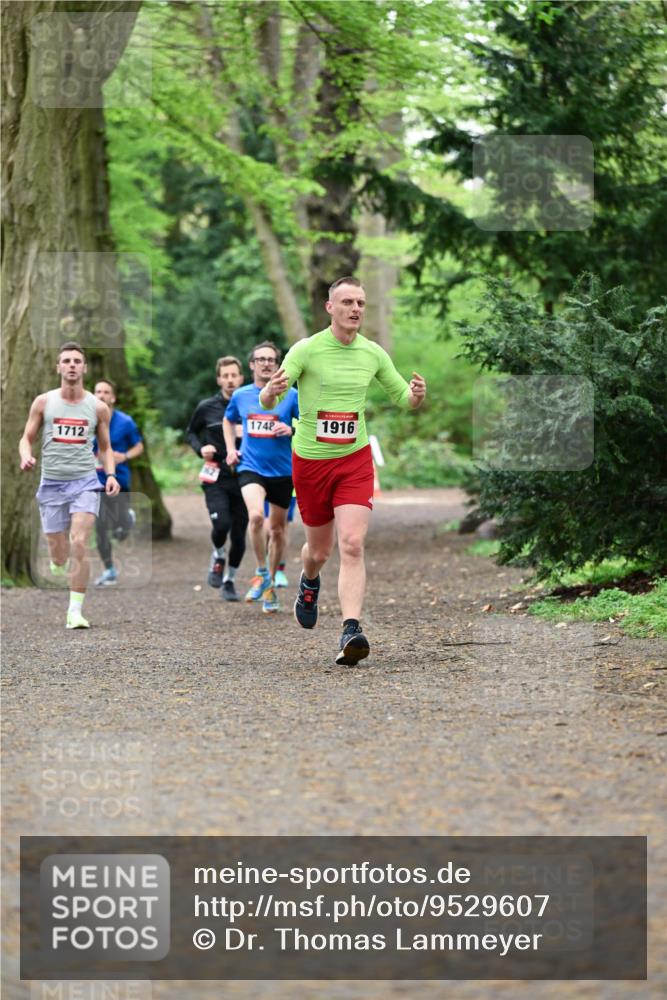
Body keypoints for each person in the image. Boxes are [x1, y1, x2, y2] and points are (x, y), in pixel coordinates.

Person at [259, 276, 426, 665]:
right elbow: (270, 400)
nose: (355, 309)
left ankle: (351, 630)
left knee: (352, 544)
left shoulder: (372, 353)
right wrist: (269, 391)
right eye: (348, 302)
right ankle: (309, 581)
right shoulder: (307, 349)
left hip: (354, 460)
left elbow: (402, 398)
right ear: (330, 307)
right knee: (319, 551)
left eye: (361, 303)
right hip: (311, 463)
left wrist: (416, 396)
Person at [18, 341, 120, 629]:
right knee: (59, 553)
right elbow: (26, 438)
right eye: (66, 361)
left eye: (77, 361)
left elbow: (105, 447)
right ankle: (57, 559)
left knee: (79, 542)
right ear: (58, 367)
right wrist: (26, 455)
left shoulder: (98, 407)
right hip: (51, 483)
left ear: (84, 368)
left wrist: (111, 475)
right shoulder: (44, 402)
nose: (72, 365)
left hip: (84, 482)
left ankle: (75, 612)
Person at [223, 341, 299, 614]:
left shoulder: (291, 395)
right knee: (255, 516)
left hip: (282, 471)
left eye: (271, 359)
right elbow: (228, 420)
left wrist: (291, 430)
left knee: (277, 530)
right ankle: (261, 570)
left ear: (278, 365)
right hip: (250, 466)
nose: (266, 363)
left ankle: (270, 585)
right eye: (261, 359)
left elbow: (308, 423)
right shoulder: (241, 395)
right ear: (252, 365)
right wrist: (231, 449)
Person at [186, 356, 248, 601]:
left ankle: (229, 580)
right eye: (225, 376)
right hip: (216, 475)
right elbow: (191, 432)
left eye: (234, 375)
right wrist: (200, 448)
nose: (230, 380)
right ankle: (218, 555)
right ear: (219, 379)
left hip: (245, 476)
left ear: (241, 378)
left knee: (240, 535)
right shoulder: (206, 407)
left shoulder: (251, 404)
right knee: (221, 524)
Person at [92, 379, 144, 586]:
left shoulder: (125, 422)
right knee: (100, 527)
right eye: (98, 391)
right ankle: (109, 570)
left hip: (119, 480)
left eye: (106, 392)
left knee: (119, 529)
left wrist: (125, 456)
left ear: (112, 397)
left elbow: (139, 446)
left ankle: (127, 519)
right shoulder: (87, 421)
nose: (102, 395)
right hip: (94, 481)